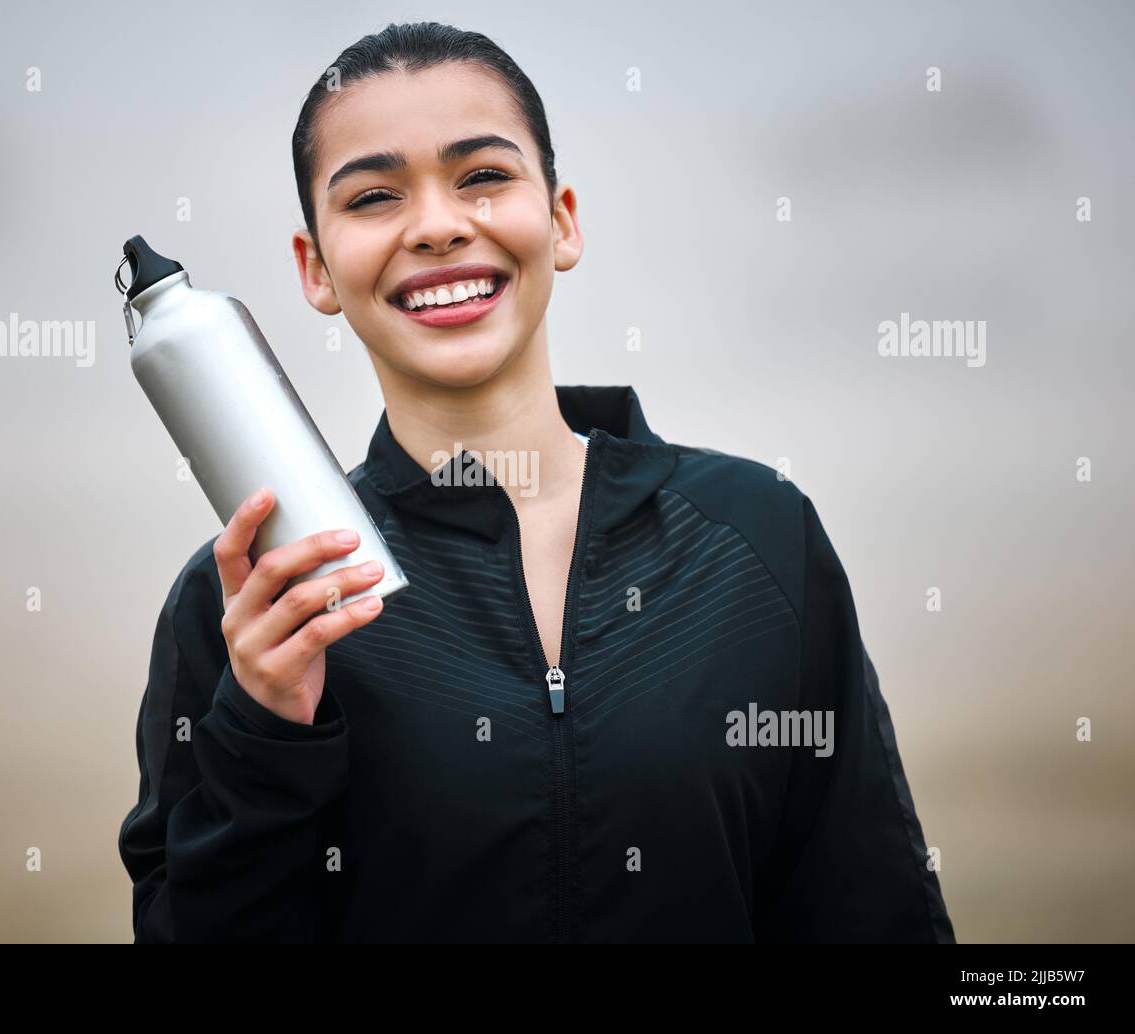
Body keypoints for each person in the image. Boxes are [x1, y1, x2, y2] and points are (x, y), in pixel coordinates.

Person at [118, 21, 956, 944]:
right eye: (373, 196)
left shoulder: (756, 541)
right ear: (316, 268)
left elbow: (872, 912)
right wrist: (266, 735)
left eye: (482, 176)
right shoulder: (251, 606)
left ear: (561, 221)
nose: (437, 224)